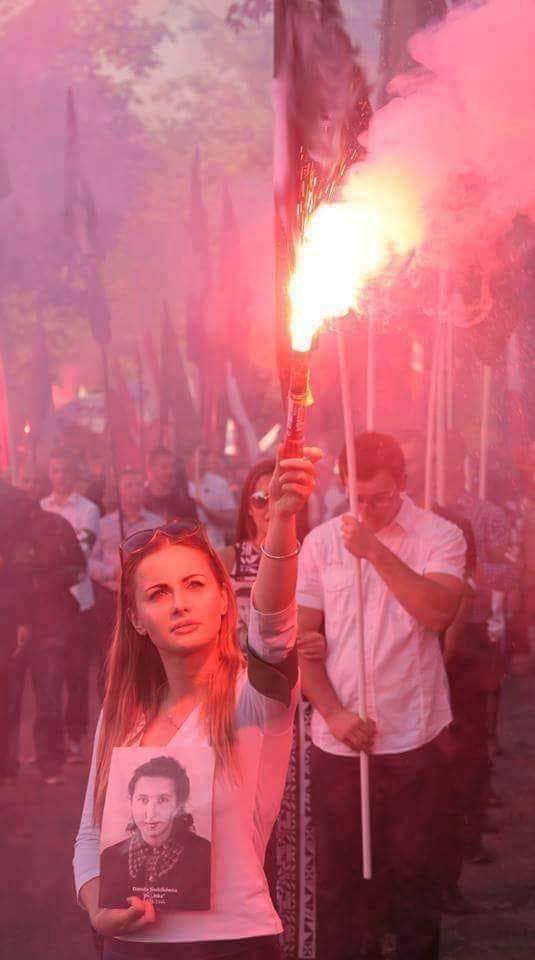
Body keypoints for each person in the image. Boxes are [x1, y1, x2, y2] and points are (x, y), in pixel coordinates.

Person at [74, 444, 320, 959]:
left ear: (224, 598)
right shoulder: (124, 712)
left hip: (233, 944)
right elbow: (90, 839)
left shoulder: (255, 697)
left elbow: (274, 631)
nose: (180, 602)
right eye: (158, 593)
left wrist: (279, 522)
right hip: (131, 947)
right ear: (137, 618)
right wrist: (100, 911)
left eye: (193, 585)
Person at [297, 431, 466, 960]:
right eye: (357, 497)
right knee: (339, 888)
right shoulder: (322, 542)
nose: (367, 509)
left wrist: (375, 552)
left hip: (414, 739)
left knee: (415, 885)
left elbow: (437, 611)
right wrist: (335, 713)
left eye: (380, 498)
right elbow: (302, 644)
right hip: (339, 742)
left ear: (404, 485)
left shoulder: (440, 536)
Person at [7, 465, 86, 784]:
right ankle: (6, 762)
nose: (29, 488)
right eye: (24, 480)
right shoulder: (5, 530)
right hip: (12, 624)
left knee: (49, 695)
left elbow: (78, 568)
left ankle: (50, 762)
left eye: (34, 481)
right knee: (8, 697)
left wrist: (46, 583)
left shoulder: (57, 526)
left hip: (51, 622)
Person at [41, 448, 101, 761]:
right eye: (55, 470)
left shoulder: (89, 509)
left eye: (65, 470)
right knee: (50, 675)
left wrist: (50, 559)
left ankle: (76, 736)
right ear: (49, 474)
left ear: (73, 473)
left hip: (80, 603)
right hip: (47, 607)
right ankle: (52, 742)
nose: (60, 476)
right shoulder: (39, 509)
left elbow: (80, 554)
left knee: (78, 673)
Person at [99, 755, 211, 912]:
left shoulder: (204, 854)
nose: (150, 813)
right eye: (143, 800)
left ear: (179, 805)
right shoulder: (109, 858)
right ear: (131, 802)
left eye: (163, 800)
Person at [90, 468, 163, 693]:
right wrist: (112, 572)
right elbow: (91, 562)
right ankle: (109, 709)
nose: (133, 490)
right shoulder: (103, 524)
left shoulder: (155, 523)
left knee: (144, 654)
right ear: (119, 490)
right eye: (128, 485)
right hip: (110, 598)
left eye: (137, 484)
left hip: (143, 598)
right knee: (108, 657)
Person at [219, 458, 275, 650]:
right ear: (249, 508)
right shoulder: (227, 560)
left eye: (278, 497)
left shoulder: (308, 557)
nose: (272, 508)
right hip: (240, 671)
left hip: (291, 673)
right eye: (261, 499)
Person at [0, 477, 34, 784]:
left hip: (7, 611)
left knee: (9, 686)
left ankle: (6, 755)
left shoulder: (16, 502)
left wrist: (23, 618)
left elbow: (22, 569)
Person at [187, 447, 236, 549]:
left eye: (204, 456)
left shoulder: (219, 483)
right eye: (198, 456)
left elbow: (230, 520)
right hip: (188, 551)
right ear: (189, 459)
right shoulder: (179, 485)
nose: (201, 460)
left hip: (216, 550)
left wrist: (205, 510)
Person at [144, 446, 197, 524]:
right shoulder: (141, 502)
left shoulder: (185, 502)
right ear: (150, 469)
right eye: (164, 467)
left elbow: (194, 533)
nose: (170, 471)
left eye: (172, 466)